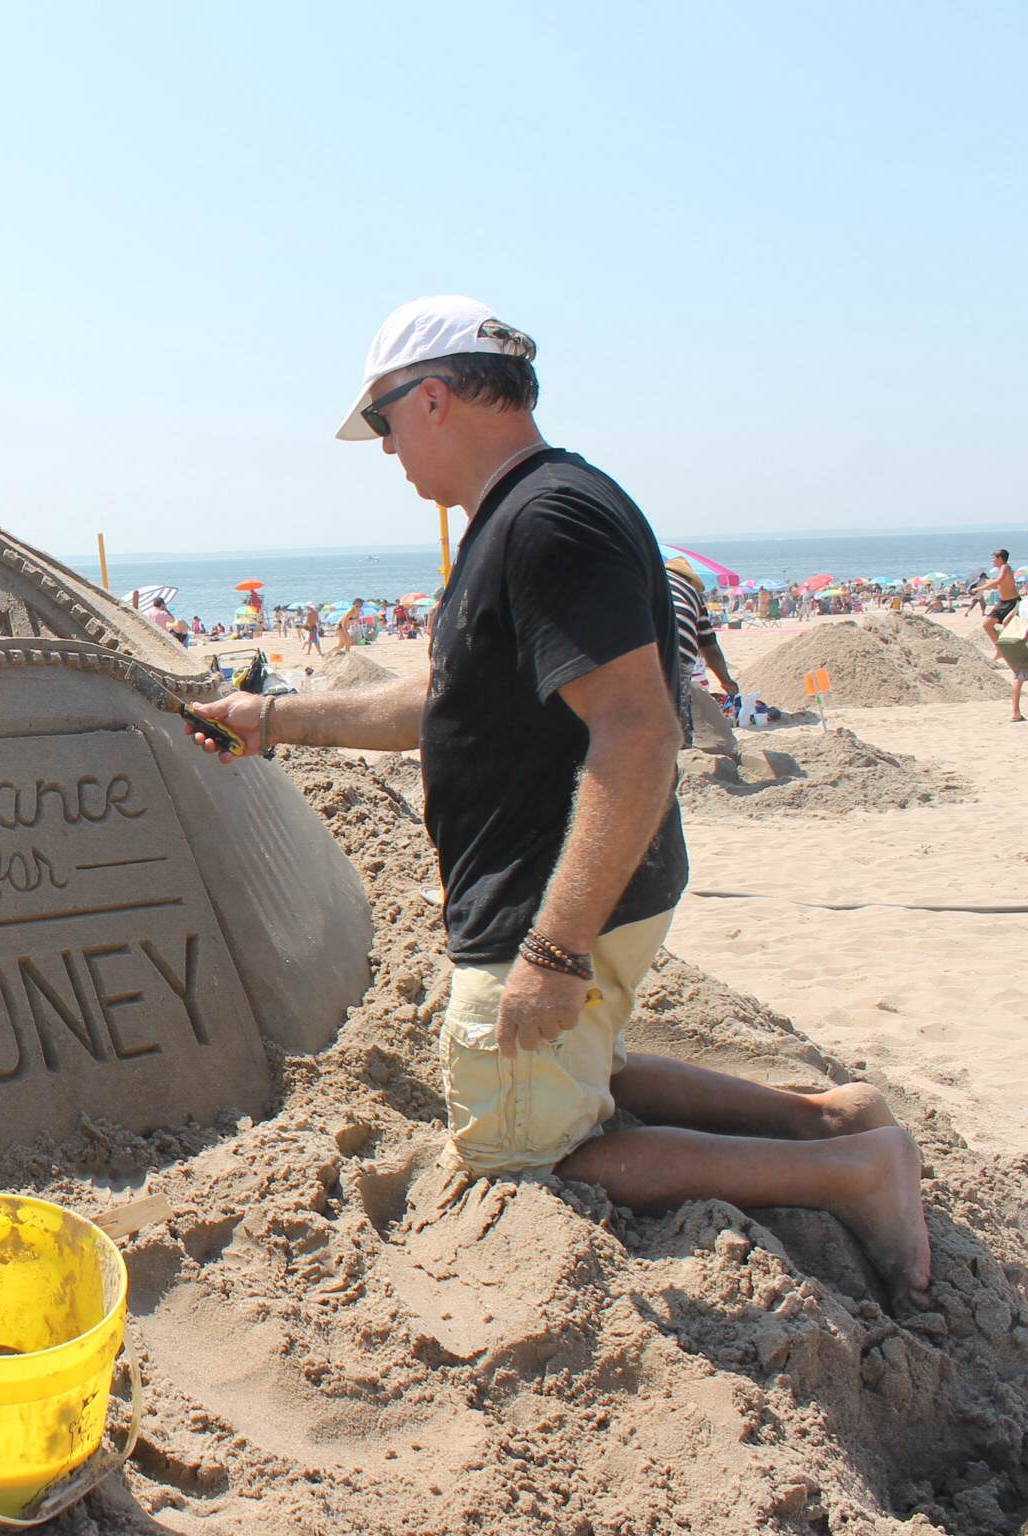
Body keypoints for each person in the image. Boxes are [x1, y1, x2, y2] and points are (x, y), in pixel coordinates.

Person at [186, 295, 930, 1301]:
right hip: (563, 887)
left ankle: (848, 1171)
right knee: (584, 1075)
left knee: (524, 1154)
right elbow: (446, 702)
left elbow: (639, 732)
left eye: (383, 423)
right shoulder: (523, 512)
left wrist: (553, 947)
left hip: (546, 899)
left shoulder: (546, 521)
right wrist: (271, 723)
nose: (385, 451)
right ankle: (833, 1119)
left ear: (435, 398)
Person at [664, 557, 739, 746]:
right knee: (677, 706)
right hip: (676, 645)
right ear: (689, 579)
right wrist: (726, 681)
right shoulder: (690, 592)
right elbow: (709, 648)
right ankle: (681, 749)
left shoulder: (652, 580)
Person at [977, 549, 1018, 655]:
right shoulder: (1001, 570)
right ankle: (1000, 650)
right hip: (1003, 602)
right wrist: (986, 585)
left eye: (994, 558)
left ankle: (1014, 649)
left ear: (1000, 558)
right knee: (987, 625)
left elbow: (998, 581)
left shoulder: (1005, 567)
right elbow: (997, 585)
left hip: (1012, 602)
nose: (992, 560)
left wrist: (978, 589)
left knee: (1007, 623)